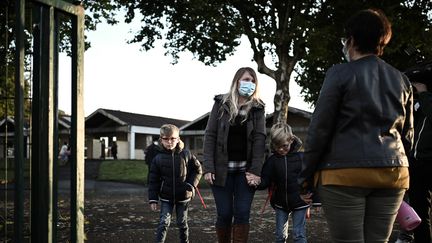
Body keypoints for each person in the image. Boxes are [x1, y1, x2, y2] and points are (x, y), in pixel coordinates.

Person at [298, 9, 414, 242]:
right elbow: (407, 135)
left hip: (344, 174)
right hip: (393, 174)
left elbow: (319, 130)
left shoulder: (339, 73)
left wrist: (305, 177)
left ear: (351, 40)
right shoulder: (401, 79)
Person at [203, 67, 266, 242]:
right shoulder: (220, 103)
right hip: (221, 170)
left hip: (245, 172)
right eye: (246, 79)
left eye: (253, 81)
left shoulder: (258, 108)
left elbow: (260, 139)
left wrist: (256, 170)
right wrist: (208, 167)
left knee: (242, 213)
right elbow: (210, 135)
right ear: (237, 81)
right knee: (224, 214)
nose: (250, 84)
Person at [257, 123, 315, 243]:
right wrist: (256, 182)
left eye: (284, 146)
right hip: (280, 203)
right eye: (277, 146)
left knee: (299, 235)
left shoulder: (301, 158)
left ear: (291, 139)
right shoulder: (272, 161)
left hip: (300, 202)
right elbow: (265, 180)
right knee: (279, 236)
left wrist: (315, 197)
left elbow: (311, 178)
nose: (281, 149)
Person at [148, 124, 203, 243]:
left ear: (178, 139)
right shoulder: (157, 158)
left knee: (182, 223)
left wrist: (191, 185)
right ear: (161, 139)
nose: (169, 142)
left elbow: (198, 170)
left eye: (172, 138)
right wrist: (153, 199)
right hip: (166, 197)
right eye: (166, 139)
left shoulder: (186, 154)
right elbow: (153, 180)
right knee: (163, 222)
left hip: (183, 196)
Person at [402, 81, 432, 242]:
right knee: (419, 211)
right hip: (418, 162)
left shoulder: (427, 99)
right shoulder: (423, 102)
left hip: (428, 161)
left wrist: (424, 93)